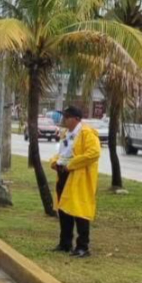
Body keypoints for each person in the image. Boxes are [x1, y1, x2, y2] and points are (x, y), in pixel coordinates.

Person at [50, 106, 101, 258]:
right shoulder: (66, 133)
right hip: (64, 174)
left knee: (80, 211)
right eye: (64, 117)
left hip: (79, 177)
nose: (65, 120)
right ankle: (65, 243)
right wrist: (55, 162)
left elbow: (93, 153)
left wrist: (72, 164)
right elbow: (62, 152)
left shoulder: (86, 133)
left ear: (76, 118)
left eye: (67, 117)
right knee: (64, 209)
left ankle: (82, 246)